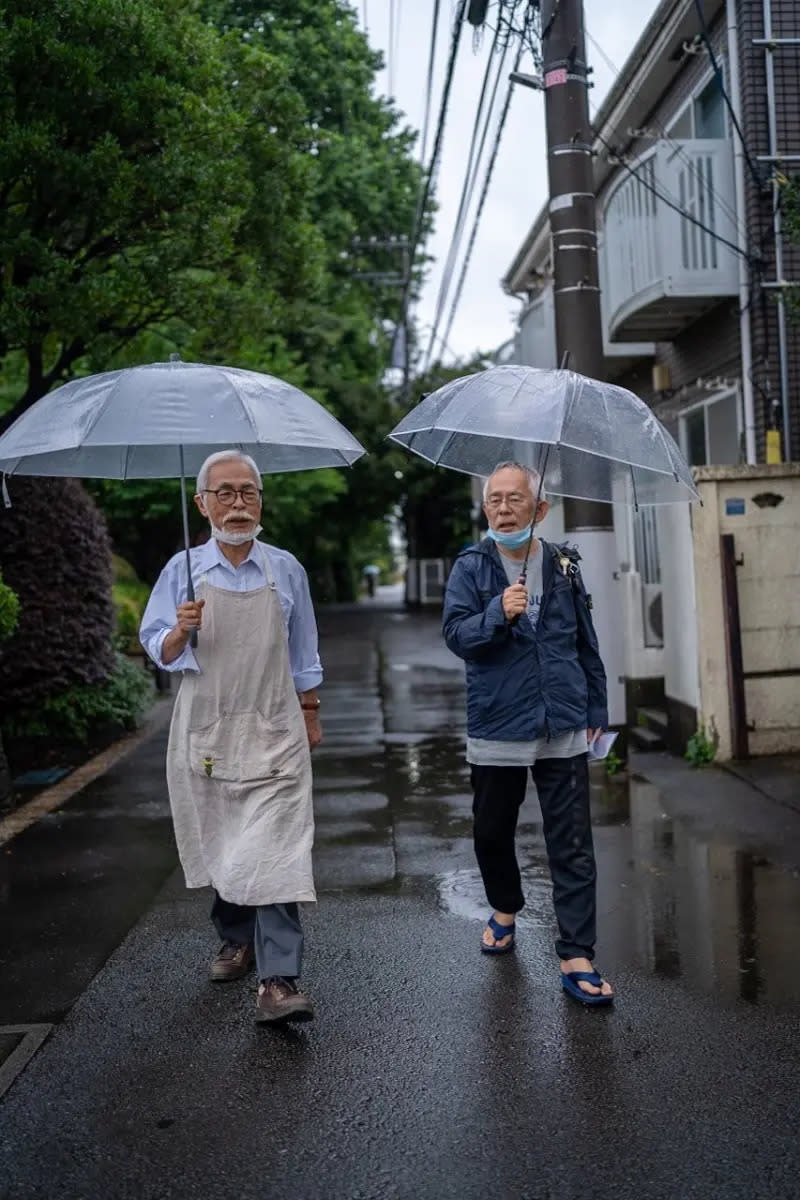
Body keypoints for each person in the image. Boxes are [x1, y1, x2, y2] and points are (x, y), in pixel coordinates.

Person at [140, 450, 323, 1025]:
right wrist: (180, 632)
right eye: (224, 493)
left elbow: (304, 653)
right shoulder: (182, 571)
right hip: (210, 727)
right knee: (225, 838)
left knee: (276, 849)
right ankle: (235, 937)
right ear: (202, 503)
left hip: (274, 724)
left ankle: (279, 979)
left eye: (247, 492)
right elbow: (158, 649)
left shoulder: (285, 569)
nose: (237, 503)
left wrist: (310, 712)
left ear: (261, 501)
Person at [442, 461, 614, 1005]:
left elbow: (585, 637)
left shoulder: (563, 563)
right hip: (499, 721)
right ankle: (505, 905)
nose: (502, 507)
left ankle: (576, 952)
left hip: (562, 716)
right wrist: (497, 611)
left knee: (572, 841)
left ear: (539, 508)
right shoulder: (471, 566)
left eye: (515, 498)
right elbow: (455, 634)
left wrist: (597, 703)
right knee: (493, 831)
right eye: (494, 499)